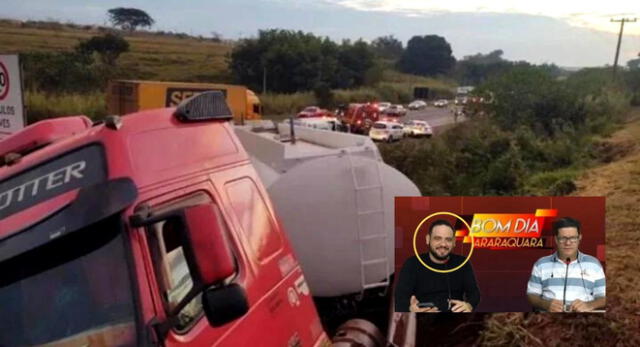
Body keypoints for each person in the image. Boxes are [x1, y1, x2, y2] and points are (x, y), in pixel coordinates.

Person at [395, 219, 480, 312]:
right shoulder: (412, 264)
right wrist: (410, 309)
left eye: (448, 239)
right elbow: (399, 299)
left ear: (454, 242)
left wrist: (469, 305)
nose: (443, 244)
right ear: (428, 239)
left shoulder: (462, 263)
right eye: (437, 238)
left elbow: (474, 293)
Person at [526, 217, 606, 312]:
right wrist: (546, 305)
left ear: (580, 238)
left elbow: (603, 297)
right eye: (563, 238)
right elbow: (531, 295)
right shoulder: (541, 264)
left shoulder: (594, 264)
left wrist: (589, 305)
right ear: (556, 239)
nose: (568, 243)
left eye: (572, 238)